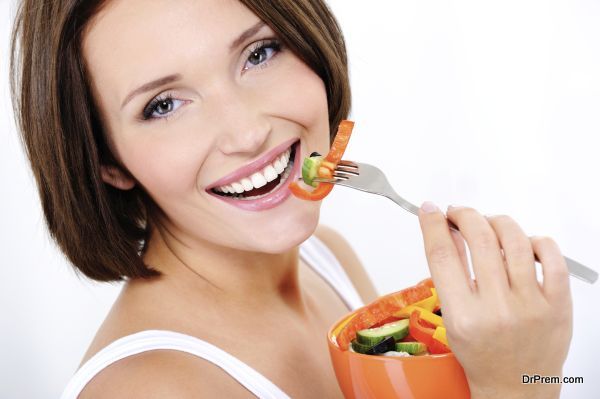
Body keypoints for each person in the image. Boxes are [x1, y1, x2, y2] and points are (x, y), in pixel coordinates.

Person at [10, 0, 572, 398]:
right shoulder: (148, 390)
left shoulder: (327, 259)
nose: (246, 134)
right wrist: (521, 386)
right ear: (106, 160)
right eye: (163, 105)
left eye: (259, 52)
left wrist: (508, 358)